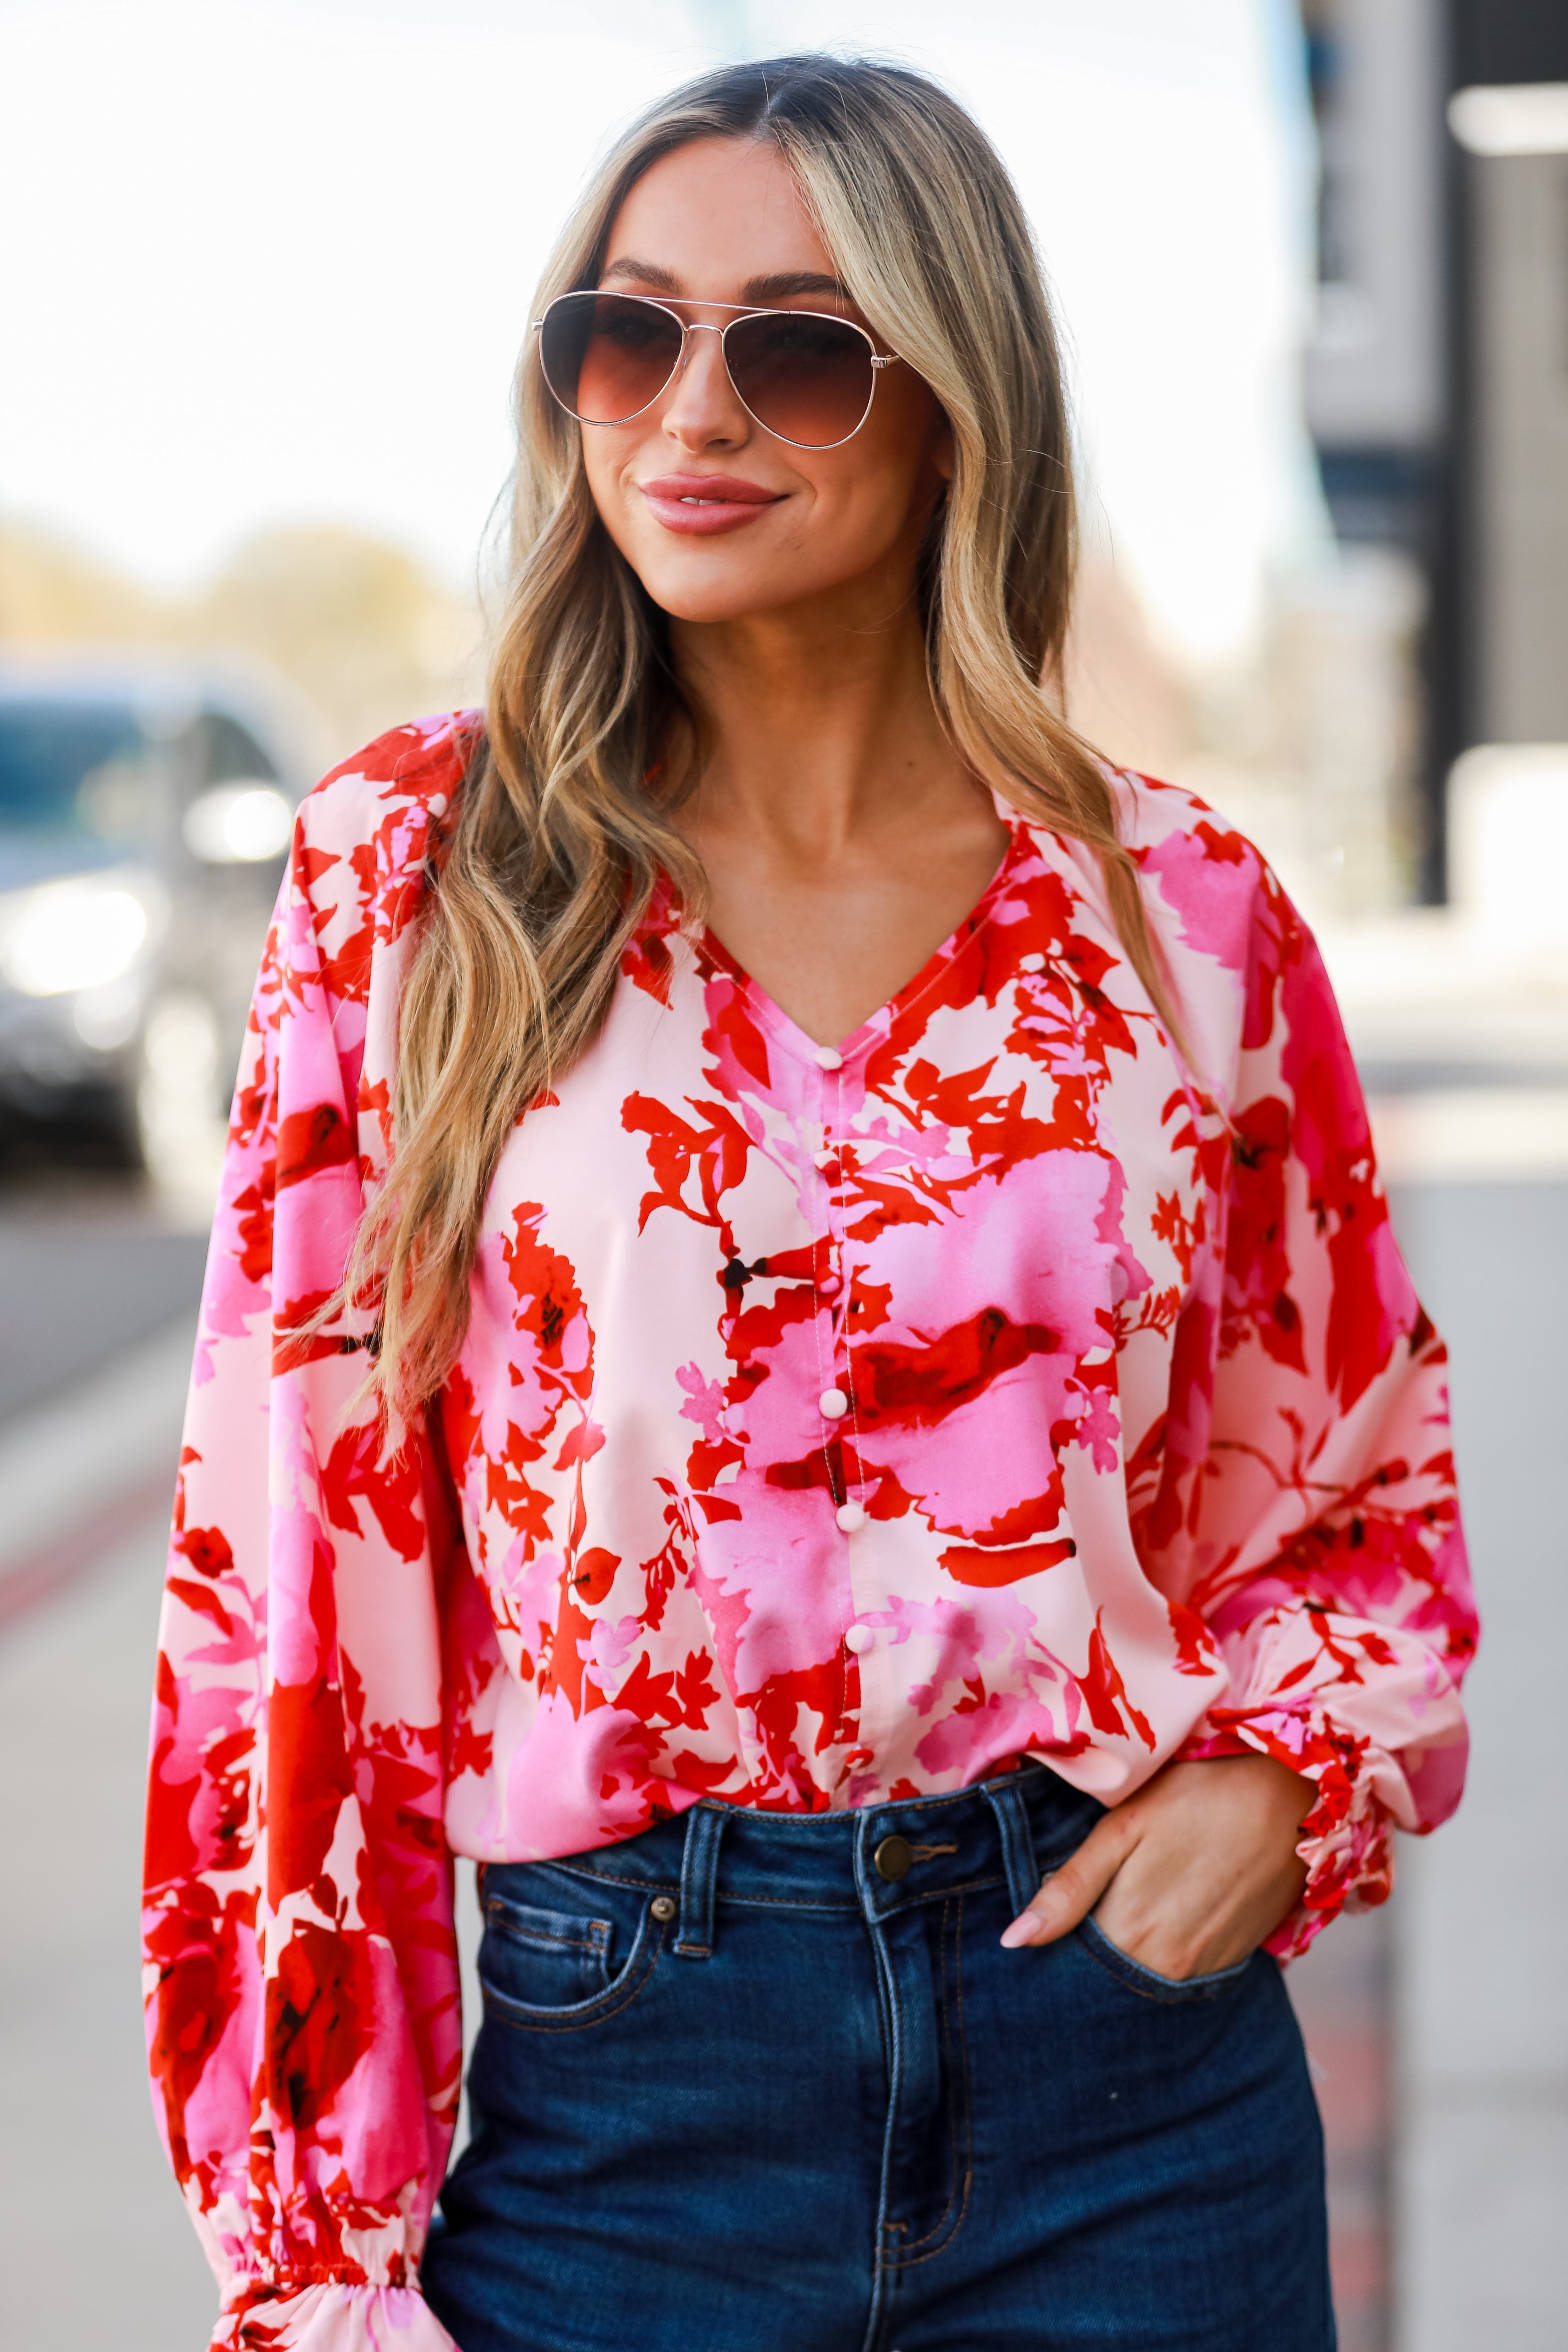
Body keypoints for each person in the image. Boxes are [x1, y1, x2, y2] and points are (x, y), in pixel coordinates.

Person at [141, 54, 1476, 2352]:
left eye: (793, 348)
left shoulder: (1179, 920)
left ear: (951, 404)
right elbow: (292, 1583)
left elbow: (1355, 1468)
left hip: (1129, 2084)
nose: (690, 411)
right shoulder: (416, 883)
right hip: (621, 2105)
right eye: (625, 332)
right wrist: (314, 2247)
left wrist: (1282, 1777)